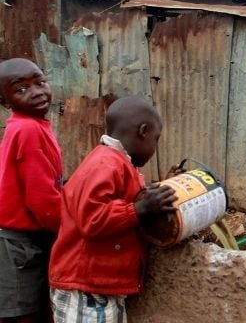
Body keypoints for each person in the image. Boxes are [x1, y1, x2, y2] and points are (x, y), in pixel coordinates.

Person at [49, 96, 177, 323]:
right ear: (143, 131)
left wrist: (164, 190)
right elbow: (93, 219)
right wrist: (139, 209)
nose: (155, 148)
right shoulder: (105, 164)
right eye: (155, 140)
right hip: (86, 289)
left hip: (101, 286)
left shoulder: (120, 164)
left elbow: (129, 200)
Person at [0, 58, 63, 323]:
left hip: (23, 239)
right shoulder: (28, 131)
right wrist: (73, 228)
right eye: (21, 89)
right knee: (21, 314)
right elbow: (42, 201)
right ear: (5, 101)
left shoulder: (30, 125)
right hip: (18, 244)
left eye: (40, 82)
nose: (36, 91)